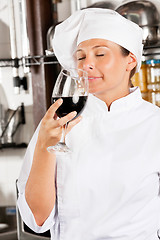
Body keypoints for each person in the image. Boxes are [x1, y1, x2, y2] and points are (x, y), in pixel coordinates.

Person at [17, 8, 160, 240]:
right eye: (81, 57)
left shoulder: (155, 125)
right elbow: (37, 219)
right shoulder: (54, 126)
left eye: (100, 54)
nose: (86, 65)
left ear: (130, 60)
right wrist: (45, 146)